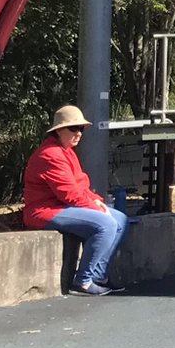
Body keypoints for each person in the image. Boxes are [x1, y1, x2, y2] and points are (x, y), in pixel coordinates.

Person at [22, 104, 128, 296]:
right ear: (59, 130)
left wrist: (96, 201)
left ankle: (98, 275)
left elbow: (80, 186)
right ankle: (83, 282)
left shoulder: (66, 151)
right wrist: (95, 207)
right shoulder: (50, 154)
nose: (79, 133)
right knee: (106, 224)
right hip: (45, 211)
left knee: (120, 219)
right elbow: (69, 194)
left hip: (62, 206)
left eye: (81, 129)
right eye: (74, 128)